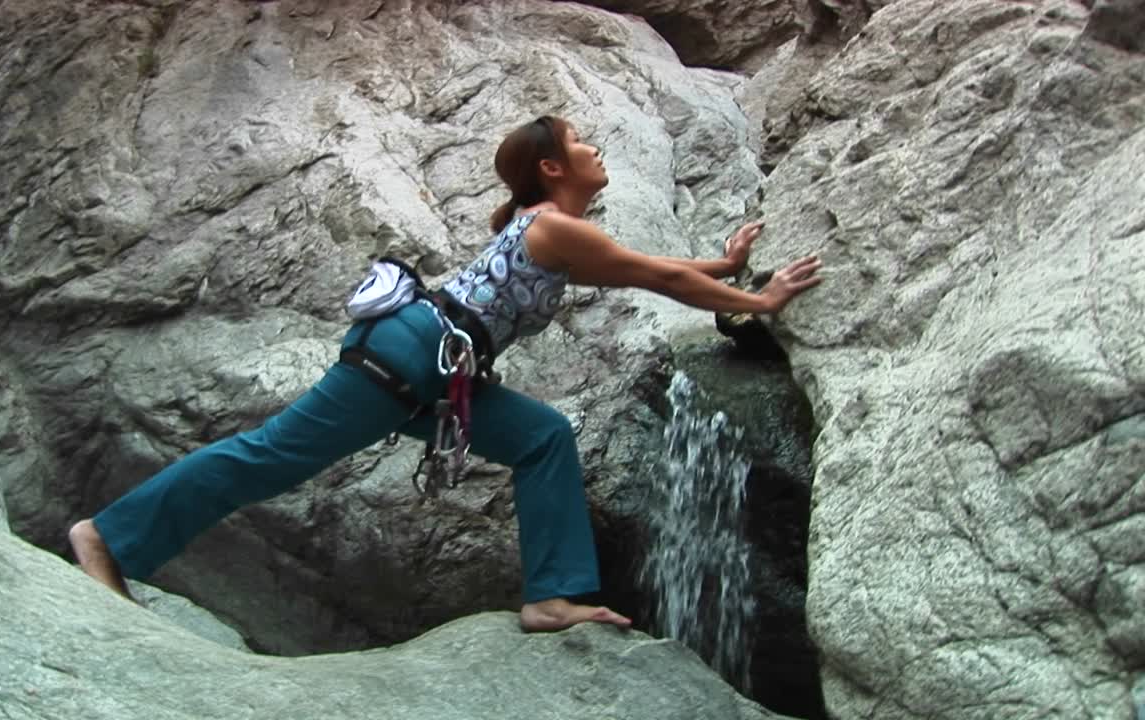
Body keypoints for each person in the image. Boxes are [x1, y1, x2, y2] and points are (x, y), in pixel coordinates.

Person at [69, 115, 822, 632]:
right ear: (553, 169)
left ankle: (553, 597)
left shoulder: (555, 231)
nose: (598, 150)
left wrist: (723, 264)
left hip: (439, 370)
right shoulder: (555, 225)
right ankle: (106, 538)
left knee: (542, 438)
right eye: (582, 142)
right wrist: (755, 298)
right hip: (407, 355)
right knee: (268, 457)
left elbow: (645, 269)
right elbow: (654, 278)